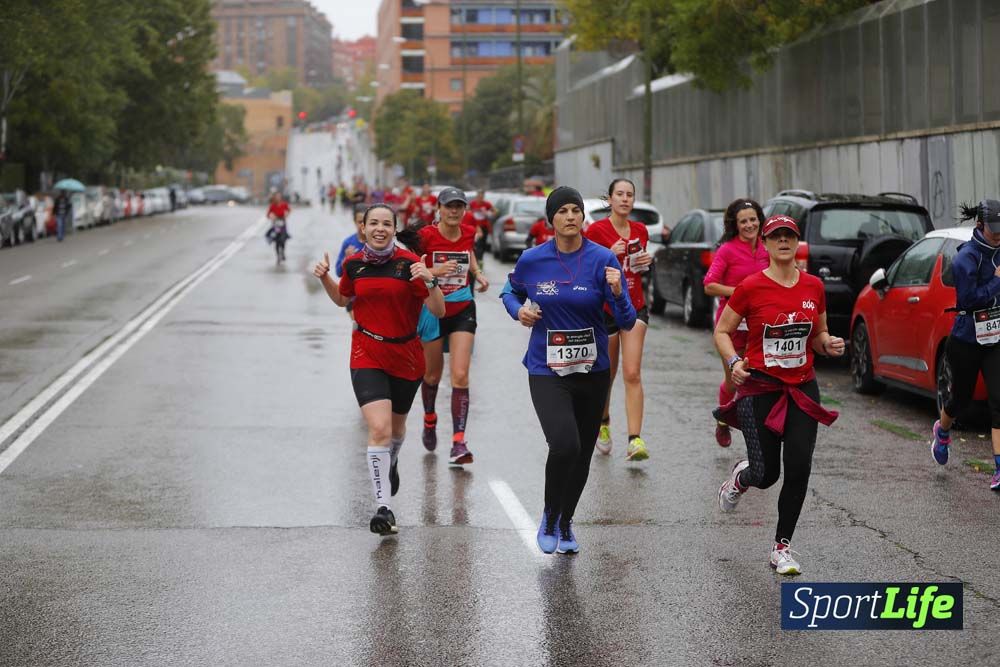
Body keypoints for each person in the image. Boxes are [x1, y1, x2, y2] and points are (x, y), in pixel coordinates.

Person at [501, 186, 636, 554]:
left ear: (583, 217)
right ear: (551, 220)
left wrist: (619, 292)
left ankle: (565, 522)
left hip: (592, 371)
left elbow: (626, 321)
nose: (571, 216)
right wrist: (520, 311)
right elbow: (508, 292)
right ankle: (548, 514)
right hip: (547, 368)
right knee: (564, 444)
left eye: (576, 209)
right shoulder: (532, 259)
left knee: (582, 453)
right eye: (562, 211)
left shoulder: (602, 259)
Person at [714, 214, 845, 575]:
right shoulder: (750, 287)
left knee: (799, 466)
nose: (783, 241)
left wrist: (828, 344)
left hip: (802, 387)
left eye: (789, 236)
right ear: (767, 244)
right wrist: (734, 360)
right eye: (776, 236)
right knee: (767, 473)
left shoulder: (813, 286)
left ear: (797, 242)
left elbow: (818, 334)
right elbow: (723, 331)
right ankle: (742, 476)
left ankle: (781, 547)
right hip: (761, 389)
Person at [312, 204, 445, 536]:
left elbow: (439, 310)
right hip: (367, 352)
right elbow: (343, 301)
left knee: (397, 432)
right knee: (380, 429)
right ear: (363, 228)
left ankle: (393, 461)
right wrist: (326, 277)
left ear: (394, 229)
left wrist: (430, 282)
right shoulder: (353, 264)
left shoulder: (409, 264)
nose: (380, 229)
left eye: (387, 224)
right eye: (374, 223)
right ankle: (383, 509)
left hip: (406, 355)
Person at [417, 187, 489, 465]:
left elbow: (468, 253)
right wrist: (434, 273)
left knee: (460, 375)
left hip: (462, 308)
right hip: (433, 310)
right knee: (432, 376)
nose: (454, 211)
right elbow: (413, 266)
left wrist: (478, 274)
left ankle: (459, 442)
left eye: (459, 206)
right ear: (439, 208)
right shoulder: (426, 236)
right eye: (449, 206)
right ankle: (429, 418)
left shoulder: (469, 231)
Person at [932, 199, 1000, 491]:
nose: (998, 235)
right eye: (994, 230)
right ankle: (942, 431)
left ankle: (999, 469)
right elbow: (970, 299)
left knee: (999, 401)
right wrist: (997, 282)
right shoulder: (966, 258)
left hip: (996, 338)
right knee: (961, 399)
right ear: (980, 225)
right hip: (967, 338)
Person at [584, 178, 652, 461]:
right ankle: (603, 422)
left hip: (634, 306)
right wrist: (607, 256)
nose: (625, 199)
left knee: (632, 373)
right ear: (609, 199)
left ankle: (635, 439)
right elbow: (586, 270)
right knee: (607, 373)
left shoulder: (640, 230)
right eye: (620, 194)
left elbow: (636, 270)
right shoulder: (597, 230)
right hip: (606, 310)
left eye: (629, 195)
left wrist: (645, 263)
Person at [704, 198, 770, 447]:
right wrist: (740, 293)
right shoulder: (727, 250)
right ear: (735, 224)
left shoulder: (767, 248)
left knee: (762, 378)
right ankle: (723, 420)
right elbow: (710, 285)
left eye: (753, 219)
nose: (749, 225)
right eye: (743, 221)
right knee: (734, 381)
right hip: (730, 325)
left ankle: (761, 430)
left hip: (761, 324)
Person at [468, 190, 495, 260]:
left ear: (483, 197)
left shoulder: (487, 204)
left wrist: (488, 213)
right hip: (474, 226)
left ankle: (480, 259)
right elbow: (467, 211)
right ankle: (476, 258)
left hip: (484, 226)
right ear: (476, 197)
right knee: (476, 243)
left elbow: (495, 211)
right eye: (479, 197)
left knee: (482, 244)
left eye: (482, 197)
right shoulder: (472, 204)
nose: (480, 198)